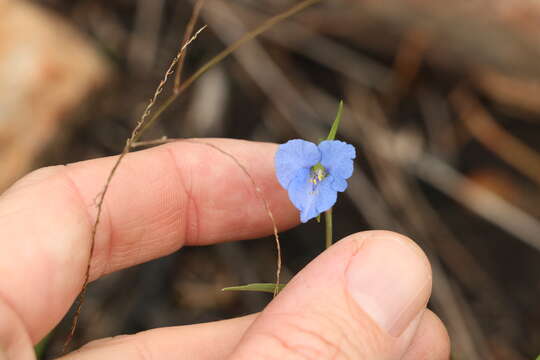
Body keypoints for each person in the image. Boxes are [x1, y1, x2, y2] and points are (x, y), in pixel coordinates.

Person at [0, 139, 450, 359]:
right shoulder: (305, 166)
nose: (316, 179)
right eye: (314, 173)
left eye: (320, 173)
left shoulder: (327, 166)